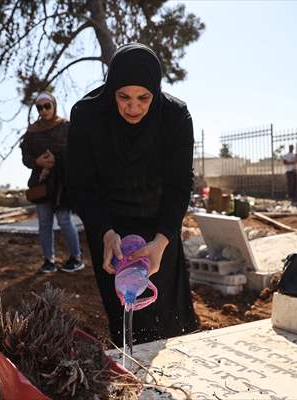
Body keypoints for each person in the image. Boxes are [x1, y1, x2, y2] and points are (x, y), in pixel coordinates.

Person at [67, 43, 200, 346]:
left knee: (167, 311)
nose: (134, 107)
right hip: (109, 225)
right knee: (125, 312)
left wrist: (163, 239)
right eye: (123, 97)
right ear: (111, 89)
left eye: (144, 98)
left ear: (155, 93)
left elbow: (180, 184)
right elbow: (80, 184)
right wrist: (104, 232)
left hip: (160, 225)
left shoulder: (175, 116)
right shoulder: (87, 115)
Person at [20, 91, 84, 274]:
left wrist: (58, 160)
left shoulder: (66, 126)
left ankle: (76, 258)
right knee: (45, 223)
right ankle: (49, 261)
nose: (43, 110)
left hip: (62, 182)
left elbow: (76, 151)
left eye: (47, 105)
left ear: (54, 105)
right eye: (39, 107)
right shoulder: (31, 132)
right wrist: (38, 162)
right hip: (40, 183)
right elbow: (25, 158)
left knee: (64, 220)